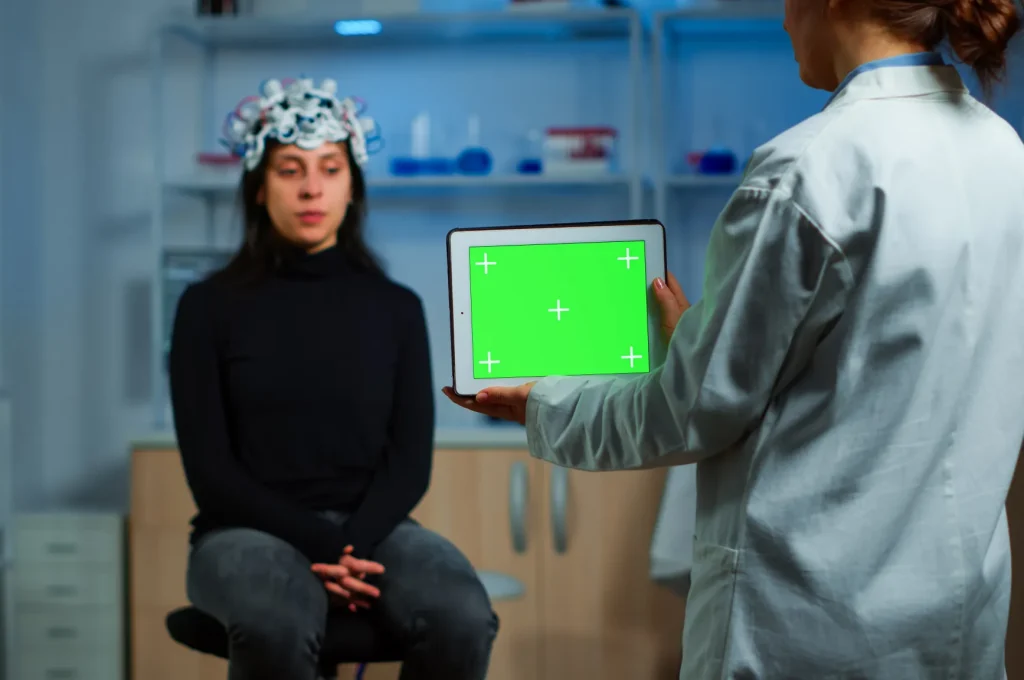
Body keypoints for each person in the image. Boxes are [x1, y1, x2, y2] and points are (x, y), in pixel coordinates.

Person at [446, 0, 1024, 677]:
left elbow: (692, 412)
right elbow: (879, 365)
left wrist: (544, 404)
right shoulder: (1001, 150)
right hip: (950, 624)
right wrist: (704, 339)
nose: (782, 21)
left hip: (805, 627)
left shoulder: (807, 170)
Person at [168, 77, 498, 680]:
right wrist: (322, 547)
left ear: (353, 186)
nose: (312, 187)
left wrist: (353, 542)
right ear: (259, 187)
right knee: (276, 623)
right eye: (290, 170)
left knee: (462, 615)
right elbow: (211, 475)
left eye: (330, 168)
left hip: (374, 528)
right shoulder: (205, 307)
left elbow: (409, 463)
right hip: (241, 531)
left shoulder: (396, 307)